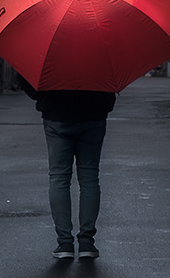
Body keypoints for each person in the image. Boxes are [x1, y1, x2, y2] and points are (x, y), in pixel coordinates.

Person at [16, 76, 115, 261]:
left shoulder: (48, 49)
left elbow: (23, 78)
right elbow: (113, 78)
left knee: (59, 178)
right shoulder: (99, 47)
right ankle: (86, 242)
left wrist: (43, 98)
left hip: (57, 113)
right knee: (90, 178)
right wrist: (104, 104)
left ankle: (65, 243)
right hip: (94, 114)